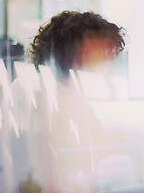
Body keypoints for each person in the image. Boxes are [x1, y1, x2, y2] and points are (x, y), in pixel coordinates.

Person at [7, 10, 126, 192]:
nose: (103, 66)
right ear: (75, 53)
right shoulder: (35, 90)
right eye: (97, 54)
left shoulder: (60, 92)